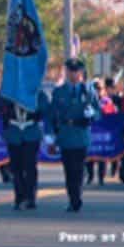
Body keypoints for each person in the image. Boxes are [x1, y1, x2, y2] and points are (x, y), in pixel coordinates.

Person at [50, 58, 100, 212]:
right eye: (70, 71)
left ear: (81, 73)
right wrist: (52, 136)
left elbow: (98, 113)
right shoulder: (59, 92)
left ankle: (76, 197)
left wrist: (91, 114)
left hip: (81, 134)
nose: (73, 75)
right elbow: (53, 115)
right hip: (66, 134)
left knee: (78, 169)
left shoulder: (88, 91)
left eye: (76, 71)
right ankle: (73, 198)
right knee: (68, 170)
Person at [1, 90, 49, 210]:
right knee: (16, 167)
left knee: (30, 166)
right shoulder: (9, 89)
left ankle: (30, 197)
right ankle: (19, 197)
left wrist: (33, 107)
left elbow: (45, 108)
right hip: (14, 132)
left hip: (30, 131)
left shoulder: (37, 91)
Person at [85, 79, 115, 185]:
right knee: (90, 155)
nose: (97, 91)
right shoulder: (87, 100)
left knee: (102, 155)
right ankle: (90, 175)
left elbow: (111, 112)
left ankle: (101, 176)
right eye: (95, 88)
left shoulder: (107, 101)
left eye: (99, 89)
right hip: (91, 131)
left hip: (102, 130)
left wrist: (103, 110)